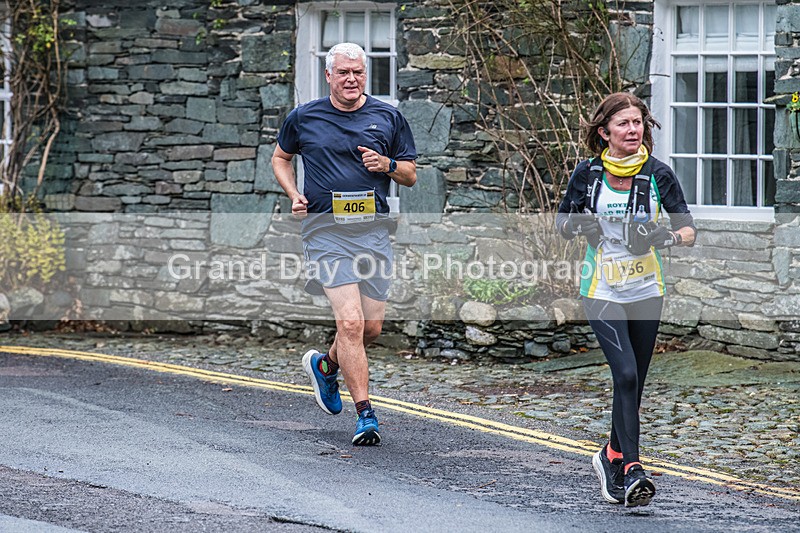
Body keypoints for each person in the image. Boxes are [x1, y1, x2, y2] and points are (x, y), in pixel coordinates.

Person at [272, 42, 417, 446]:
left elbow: (409, 175)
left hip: (373, 233)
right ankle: (366, 415)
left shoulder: (388, 117)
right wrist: (293, 193)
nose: (351, 79)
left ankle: (325, 365)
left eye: (358, 72)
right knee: (349, 323)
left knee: (370, 329)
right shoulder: (304, 118)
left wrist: (386, 165)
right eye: (344, 73)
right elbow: (280, 158)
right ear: (329, 76)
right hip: (325, 233)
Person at [556, 92, 696, 507]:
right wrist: (580, 225)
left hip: (647, 288)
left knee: (633, 381)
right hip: (601, 287)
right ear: (605, 132)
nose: (634, 130)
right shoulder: (587, 174)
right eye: (624, 124)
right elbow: (562, 223)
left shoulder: (658, 174)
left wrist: (665, 238)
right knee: (626, 374)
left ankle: (611, 455)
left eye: (638, 123)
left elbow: (689, 230)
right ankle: (633, 469)